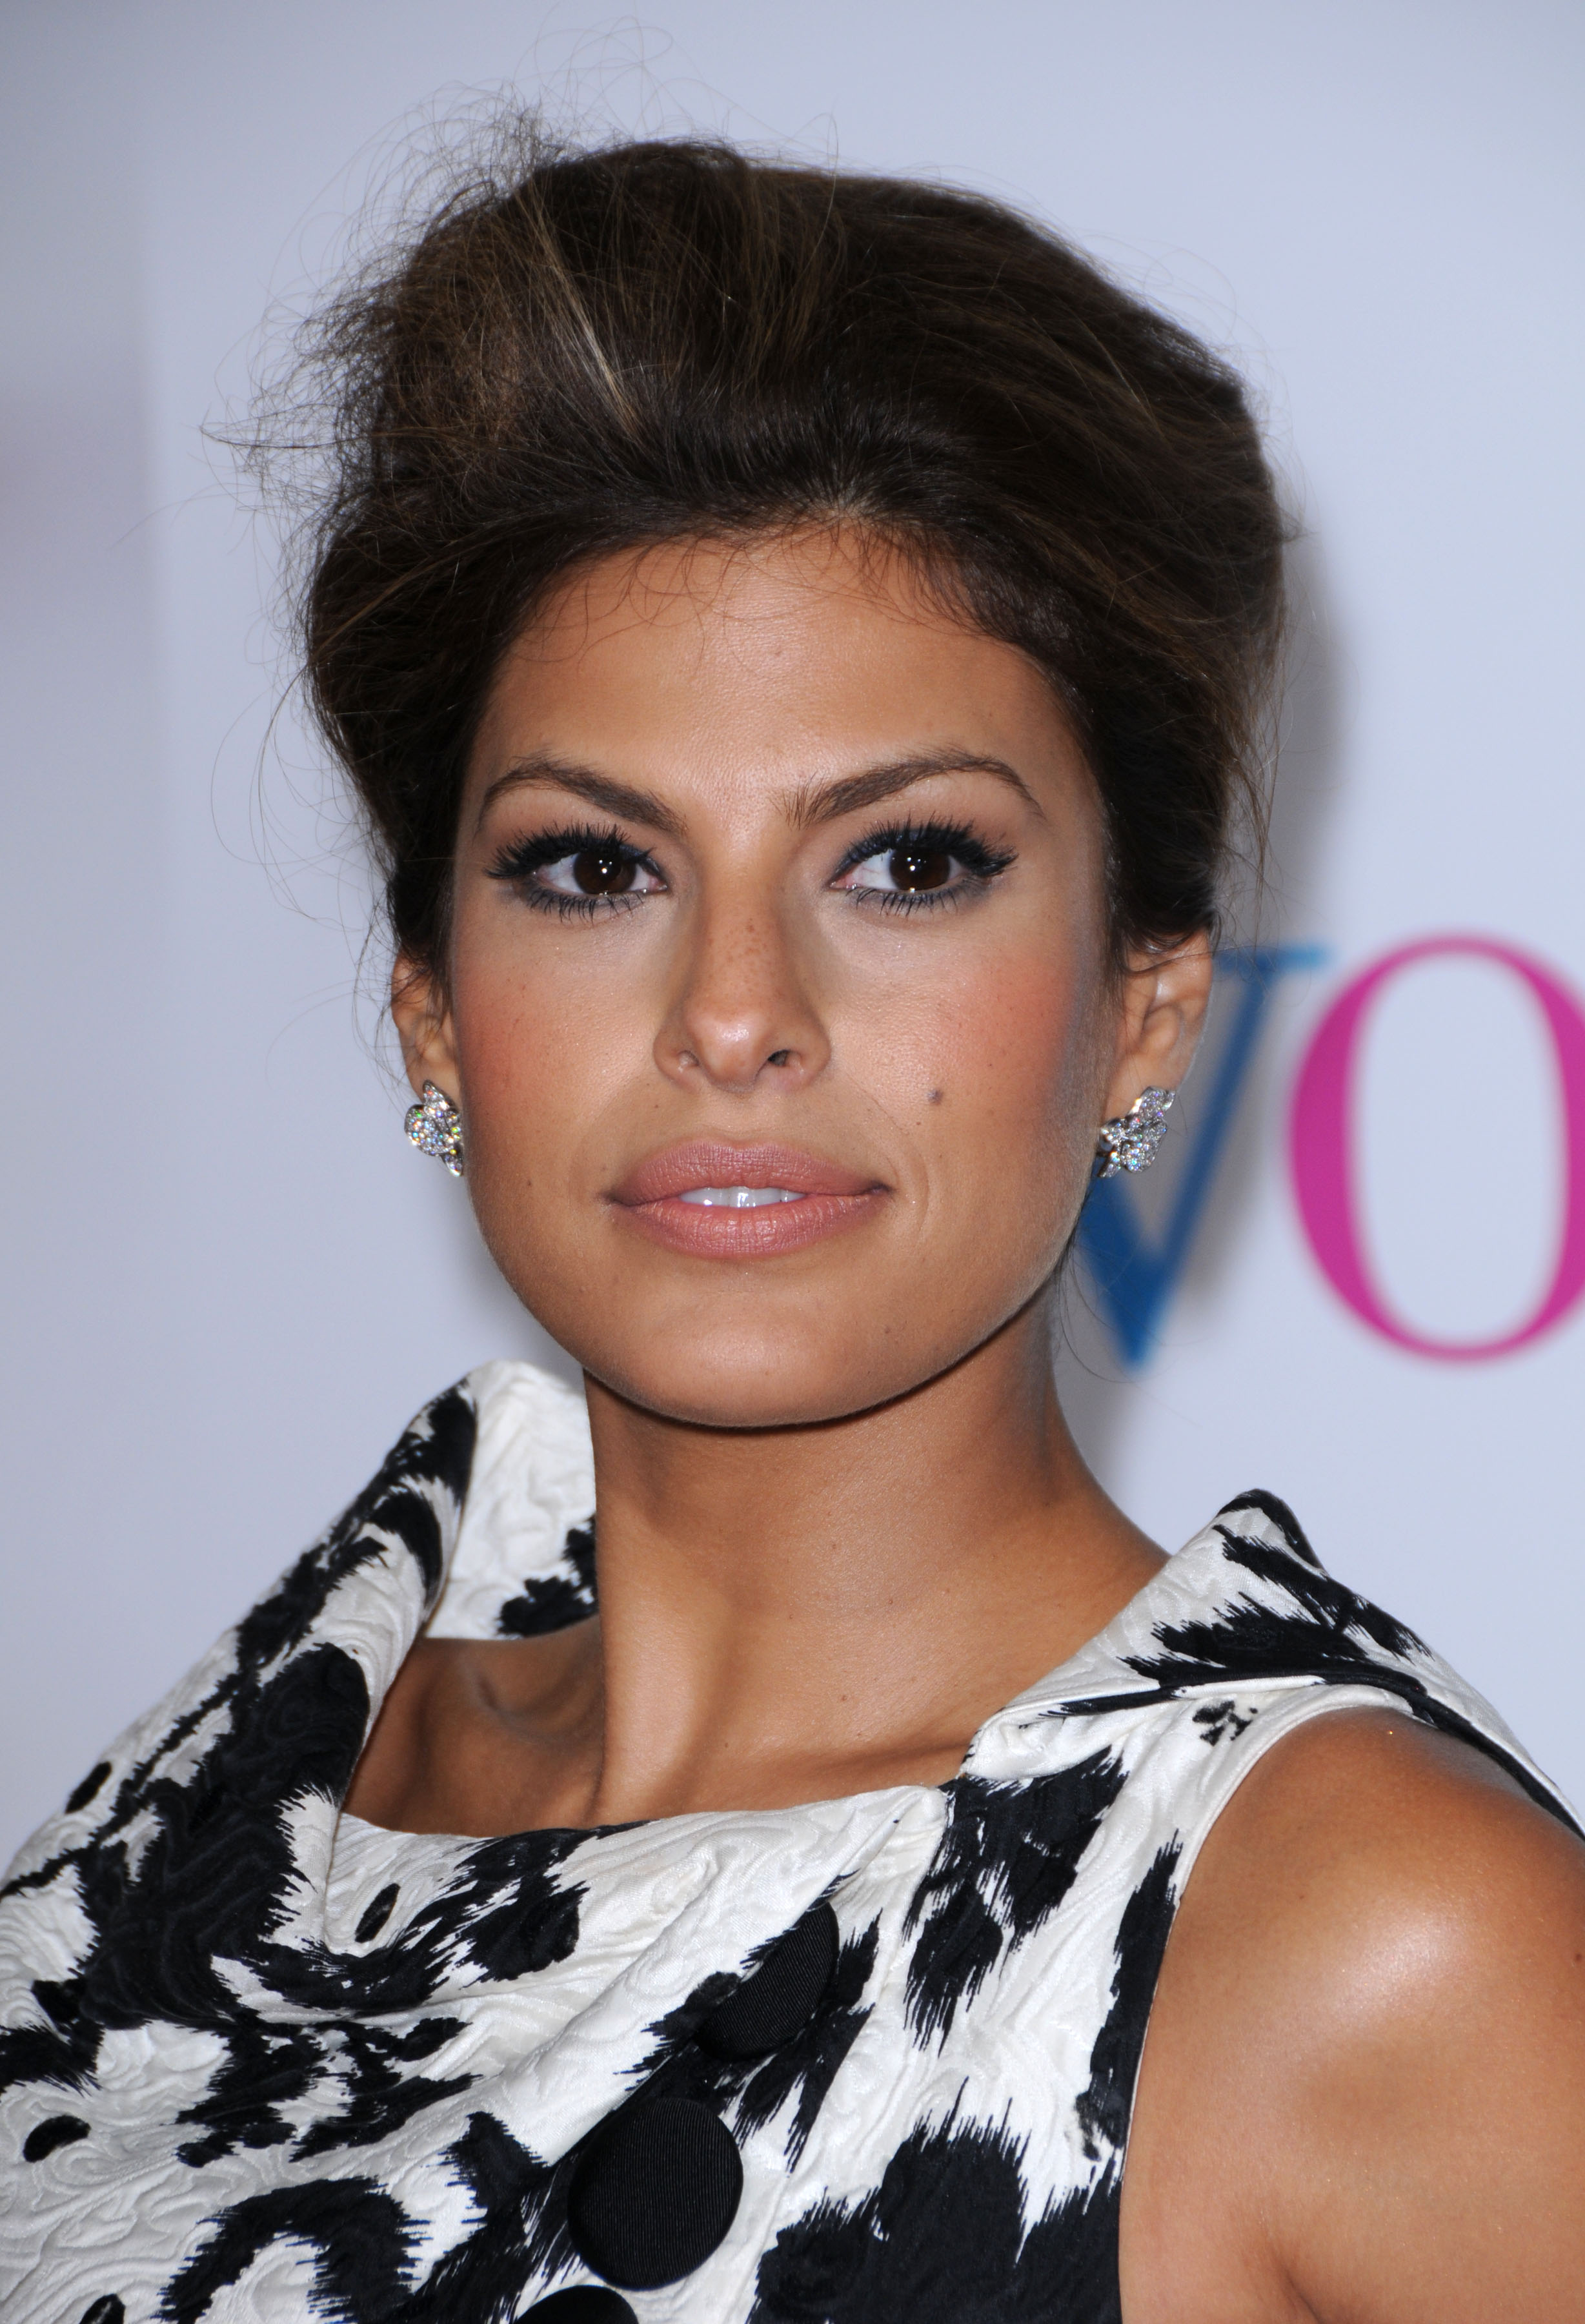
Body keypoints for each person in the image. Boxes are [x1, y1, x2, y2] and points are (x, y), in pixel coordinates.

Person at [3, 130, 1582, 2324]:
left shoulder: (1369, 1937)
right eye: (594, 868)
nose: (734, 1013)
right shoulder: (247, 1782)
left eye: (908, 862)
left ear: (1144, 1003)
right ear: (433, 1007)